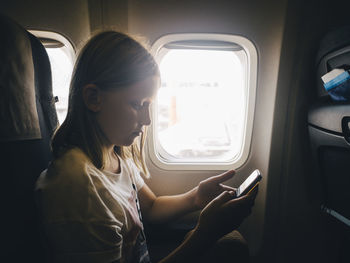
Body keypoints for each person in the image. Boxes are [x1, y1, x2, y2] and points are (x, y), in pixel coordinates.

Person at [35, 31, 258, 263]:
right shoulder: (81, 191)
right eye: (137, 104)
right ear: (93, 98)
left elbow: (151, 208)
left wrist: (196, 197)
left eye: (148, 105)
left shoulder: (114, 155)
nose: (147, 120)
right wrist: (204, 235)